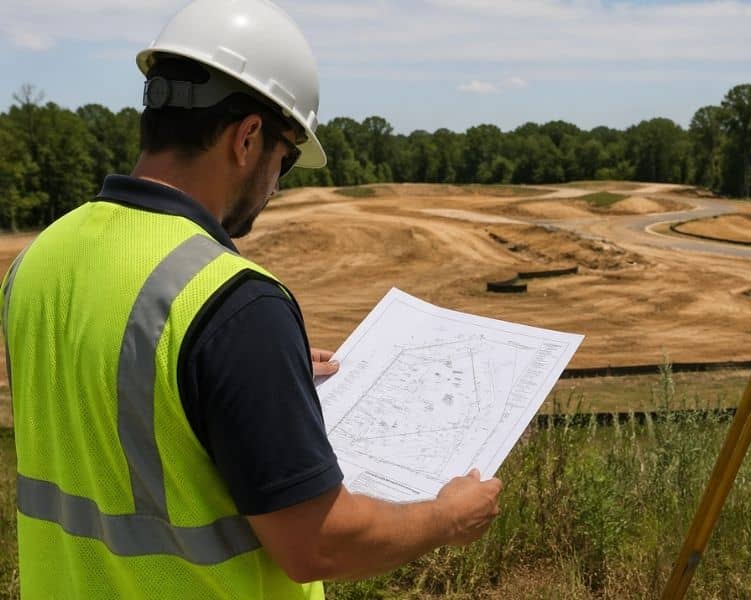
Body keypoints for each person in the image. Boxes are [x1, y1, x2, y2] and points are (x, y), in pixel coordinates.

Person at [0, 1, 501, 598]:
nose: (275, 184)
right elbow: (318, 541)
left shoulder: (36, 260)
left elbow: (121, 405)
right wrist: (446, 517)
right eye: (285, 161)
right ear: (247, 138)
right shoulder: (233, 304)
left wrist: (247, 387)